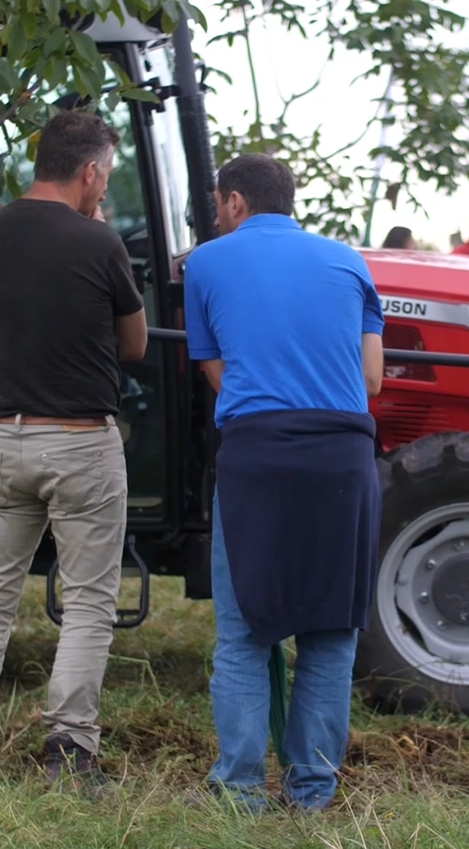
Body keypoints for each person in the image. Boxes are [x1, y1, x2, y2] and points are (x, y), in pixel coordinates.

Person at [0, 110, 147, 789]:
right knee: (89, 601)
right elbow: (135, 344)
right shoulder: (98, 243)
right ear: (88, 171)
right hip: (81, 441)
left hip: (3, 436)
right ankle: (69, 749)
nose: (102, 189)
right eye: (104, 177)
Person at [183, 153, 384, 813]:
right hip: (341, 457)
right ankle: (313, 793)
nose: (218, 217)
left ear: (235, 201)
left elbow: (217, 370)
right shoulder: (350, 263)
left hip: (258, 457)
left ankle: (240, 793)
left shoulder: (206, 262)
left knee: (243, 632)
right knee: (330, 633)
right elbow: (373, 380)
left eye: (218, 205)